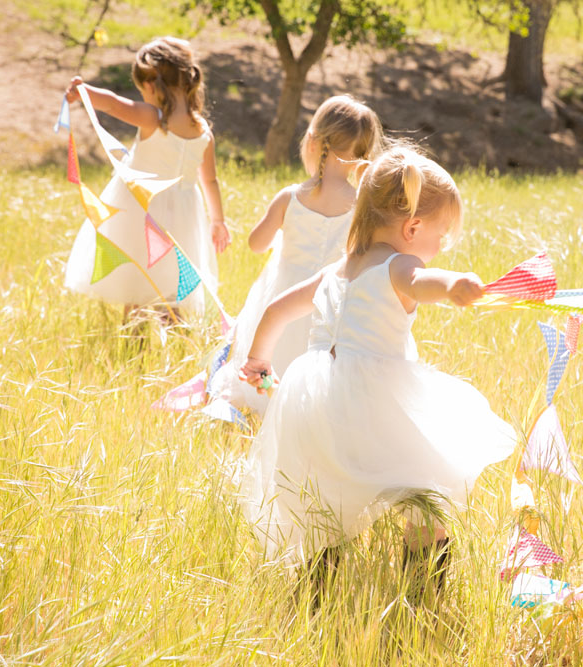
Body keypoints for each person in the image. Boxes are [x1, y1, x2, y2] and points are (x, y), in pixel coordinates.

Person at [236, 145, 516, 604]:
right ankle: (422, 595)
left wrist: (258, 361)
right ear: (412, 228)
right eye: (441, 235)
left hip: (315, 399)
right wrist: (454, 286)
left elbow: (276, 308)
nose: (440, 246)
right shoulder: (400, 264)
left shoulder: (336, 270)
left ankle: (318, 594)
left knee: (327, 500)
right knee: (427, 486)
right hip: (372, 399)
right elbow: (424, 282)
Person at [210, 95, 383, 414]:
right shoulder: (363, 206)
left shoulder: (289, 198)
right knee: (317, 375)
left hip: (283, 295)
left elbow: (256, 243)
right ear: (364, 155)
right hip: (333, 303)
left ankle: (264, 409)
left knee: (274, 357)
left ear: (312, 141)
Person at [63, 36, 230, 318]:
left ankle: (134, 351)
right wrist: (218, 220)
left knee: (137, 281)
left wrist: (83, 91)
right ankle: (177, 344)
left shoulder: (153, 117)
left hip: (142, 210)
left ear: (152, 86)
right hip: (184, 215)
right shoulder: (203, 130)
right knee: (173, 285)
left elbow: (115, 105)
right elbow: (210, 180)